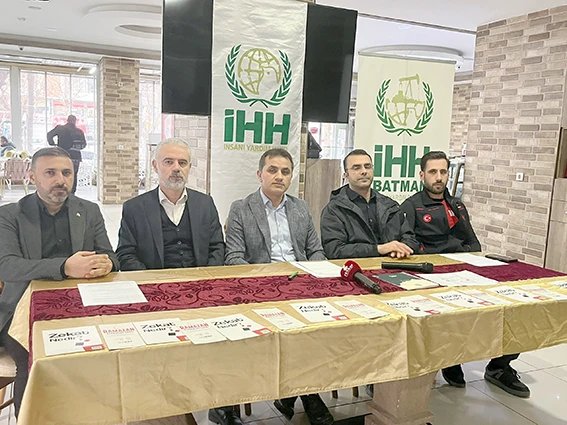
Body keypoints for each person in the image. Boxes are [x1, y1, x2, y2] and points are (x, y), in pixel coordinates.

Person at [0, 147, 118, 417]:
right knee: (35, 358)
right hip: (22, 308)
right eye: (50, 173)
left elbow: (110, 255)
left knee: (108, 349)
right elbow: (7, 266)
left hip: (80, 305)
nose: (60, 180)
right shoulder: (10, 215)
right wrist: (64, 267)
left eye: (67, 173)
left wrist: (108, 263)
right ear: (32, 177)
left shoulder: (88, 211)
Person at [400, 150, 529, 398]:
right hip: (431, 277)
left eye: (443, 172)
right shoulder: (410, 206)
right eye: (433, 172)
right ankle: (450, 358)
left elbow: (474, 243)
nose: (439, 177)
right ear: (421, 175)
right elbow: (411, 247)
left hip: (465, 272)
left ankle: (500, 366)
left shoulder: (457, 205)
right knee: (449, 318)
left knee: (514, 305)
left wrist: (467, 257)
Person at [224, 148, 332, 425]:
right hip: (261, 289)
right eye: (272, 170)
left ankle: (305, 392)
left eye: (285, 172)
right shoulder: (241, 208)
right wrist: (268, 281)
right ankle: (299, 394)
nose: (279, 176)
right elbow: (233, 258)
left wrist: (316, 275)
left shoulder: (300, 208)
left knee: (319, 331)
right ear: (259, 174)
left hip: (301, 285)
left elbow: (316, 251)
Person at [117, 138, 224, 271]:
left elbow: (217, 248)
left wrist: (206, 277)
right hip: (154, 280)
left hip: (200, 279)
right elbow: (125, 254)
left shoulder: (205, 204)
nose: (176, 168)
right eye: (169, 162)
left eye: (182, 163)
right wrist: (152, 280)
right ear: (155, 166)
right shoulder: (134, 208)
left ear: (189, 167)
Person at [320, 149, 419, 260]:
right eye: (356, 168)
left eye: (367, 166)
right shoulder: (334, 210)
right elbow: (334, 250)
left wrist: (400, 249)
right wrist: (379, 249)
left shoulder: (390, 206)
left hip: (394, 263)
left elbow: (410, 239)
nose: (364, 171)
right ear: (346, 175)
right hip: (355, 268)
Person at [47, 115, 86, 194]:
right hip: (75, 157)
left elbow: (49, 135)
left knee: (60, 174)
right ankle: (72, 194)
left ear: (67, 120)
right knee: (73, 175)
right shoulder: (79, 132)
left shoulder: (60, 128)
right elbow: (83, 145)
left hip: (61, 155)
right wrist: (74, 147)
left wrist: (52, 144)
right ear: (75, 121)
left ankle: (60, 192)